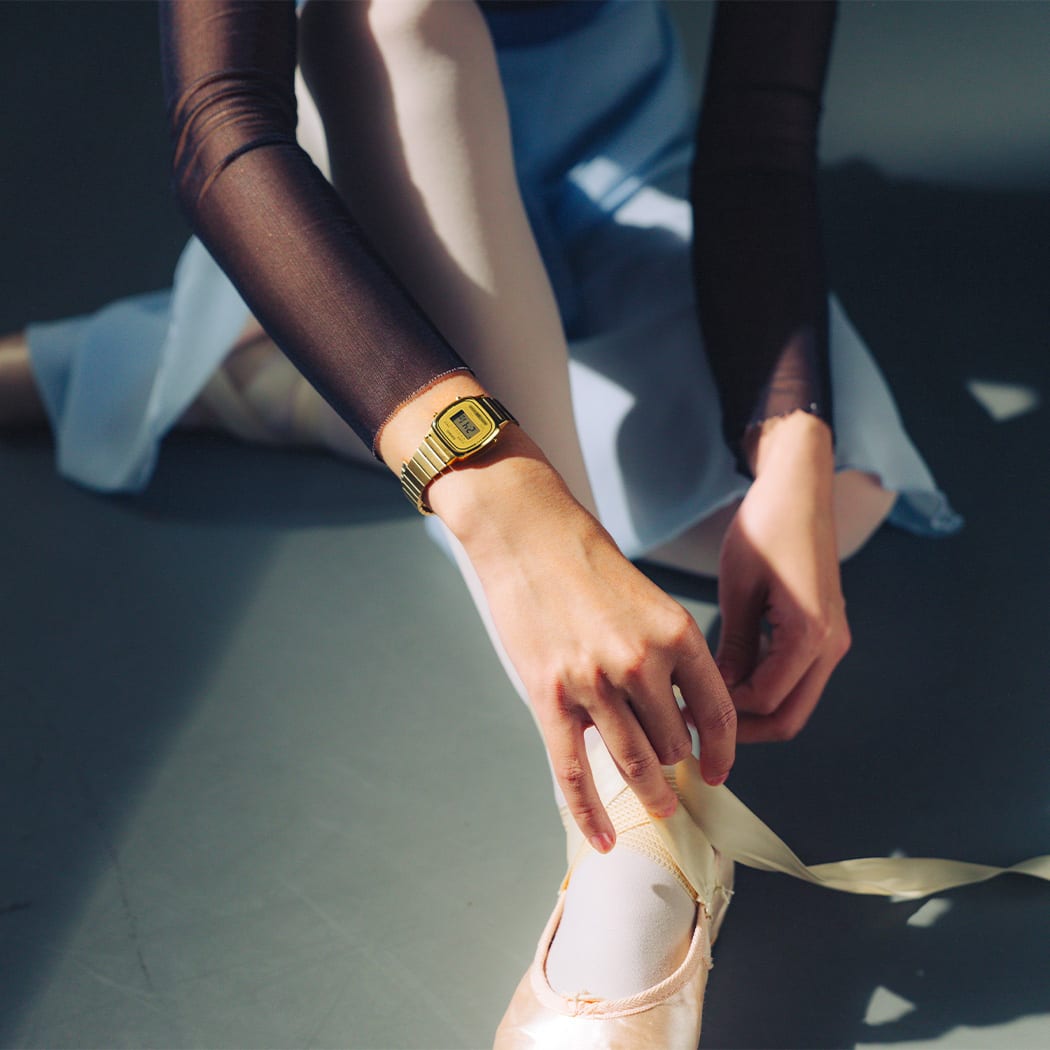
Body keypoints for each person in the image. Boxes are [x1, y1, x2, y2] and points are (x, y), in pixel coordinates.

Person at [0, 1, 970, 1044]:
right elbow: (221, 119)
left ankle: (303, 385)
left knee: (837, 496)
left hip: (621, 157)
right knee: (397, 13)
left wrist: (791, 442)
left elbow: (762, 134)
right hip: (380, 153)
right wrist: (507, 499)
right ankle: (638, 834)